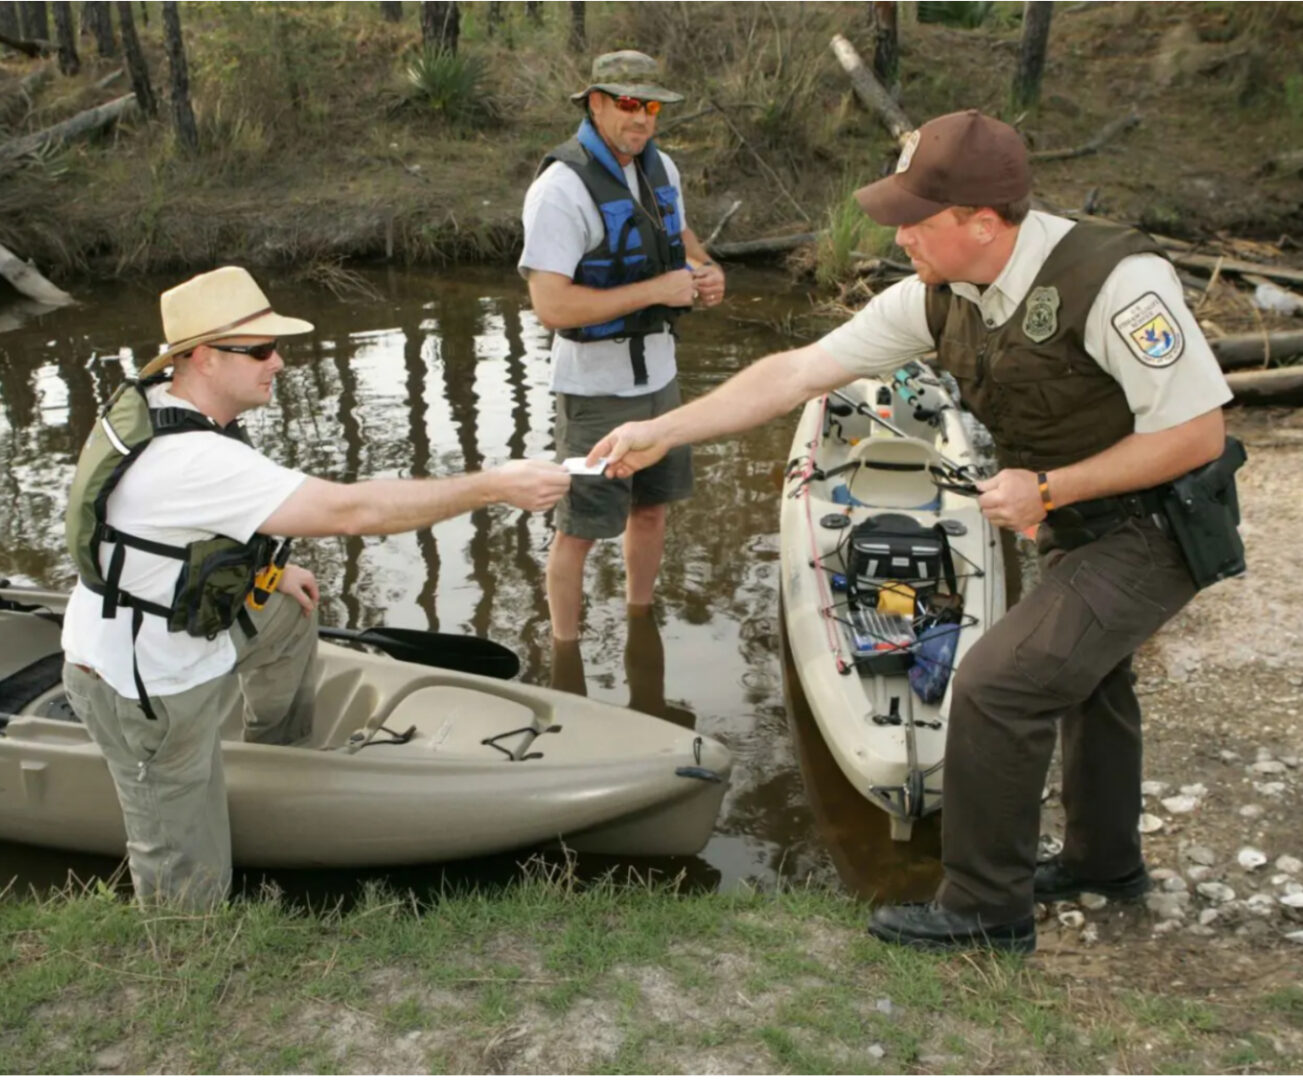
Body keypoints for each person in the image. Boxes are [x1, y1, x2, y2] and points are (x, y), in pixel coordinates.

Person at [587, 110, 1235, 953]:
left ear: (980, 222)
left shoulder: (1116, 283)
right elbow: (793, 375)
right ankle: (1102, 863)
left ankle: (984, 908)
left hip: (1158, 523)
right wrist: (664, 429)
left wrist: (1046, 487)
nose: (898, 240)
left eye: (913, 222)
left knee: (999, 683)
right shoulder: (938, 296)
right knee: (1089, 678)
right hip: (1079, 518)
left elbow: (1196, 435)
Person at [61, 266, 570, 911]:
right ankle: (180, 968)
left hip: (169, 624)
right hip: (147, 687)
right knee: (188, 880)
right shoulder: (192, 458)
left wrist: (261, 575)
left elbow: (176, 535)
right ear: (199, 358)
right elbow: (352, 513)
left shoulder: (169, 405)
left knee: (286, 610)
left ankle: (281, 759)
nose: (279, 362)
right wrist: (494, 484)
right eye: (260, 351)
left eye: (276, 347)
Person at [518, 49, 726, 643]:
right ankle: (565, 649)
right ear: (598, 102)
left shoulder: (661, 168)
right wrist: (657, 289)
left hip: (661, 379)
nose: (643, 118)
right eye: (630, 104)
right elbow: (552, 306)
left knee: (653, 508)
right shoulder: (560, 189)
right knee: (578, 529)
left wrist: (706, 270)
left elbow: (680, 236)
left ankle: (641, 620)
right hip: (595, 390)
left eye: (652, 106)